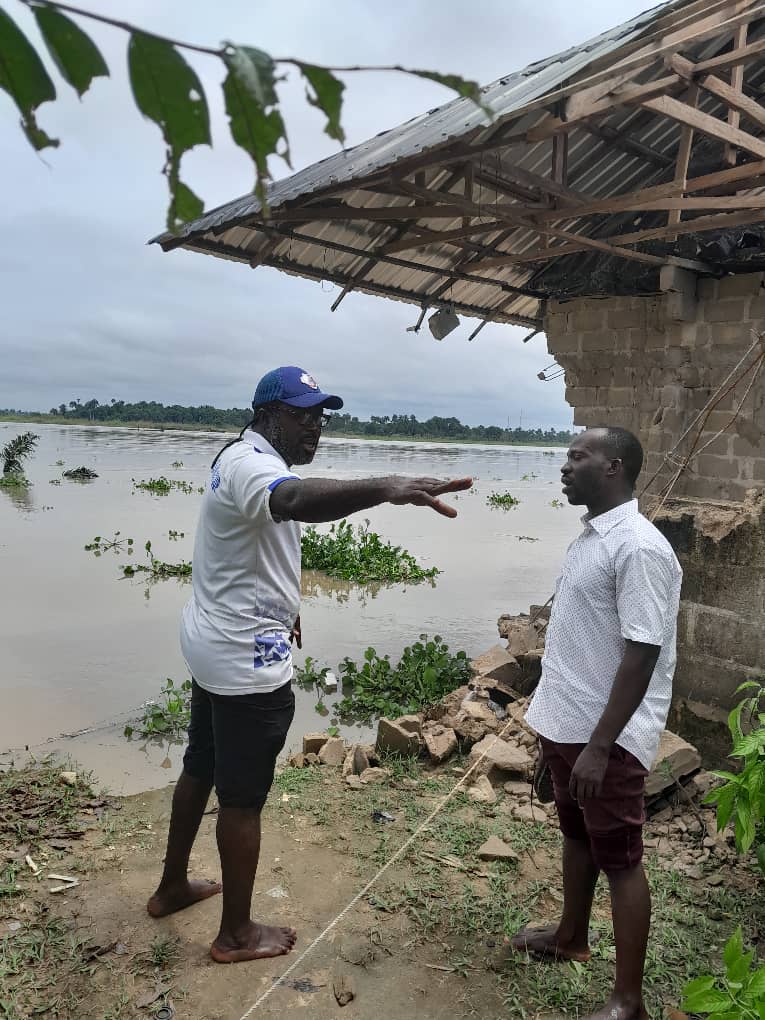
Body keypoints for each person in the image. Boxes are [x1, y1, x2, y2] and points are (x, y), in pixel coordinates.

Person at [147, 366, 471, 964]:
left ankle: (170, 887)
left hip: (214, 637)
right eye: (304, 414)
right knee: (242, 798)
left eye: (322, 414)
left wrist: (284, 606)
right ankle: (236, 934)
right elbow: (291, 501)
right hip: (243, 659)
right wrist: (389, 486)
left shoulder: (240, 455)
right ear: (269, 414)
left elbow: (256, 545)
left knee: (201, 763)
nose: (316, 425)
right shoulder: (255, 467)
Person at [511, 426, 682, 1020]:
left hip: (605, 739)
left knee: (622, 857)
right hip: (568, 726)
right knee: (577, 834)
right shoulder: (592, 538)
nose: (565, 466)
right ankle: (570, 937)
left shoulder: (639, 547)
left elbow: (643, 651)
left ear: (613, 467)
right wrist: (551, 730)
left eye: (577, 457)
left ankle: (628, 1002)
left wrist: (600, 746)